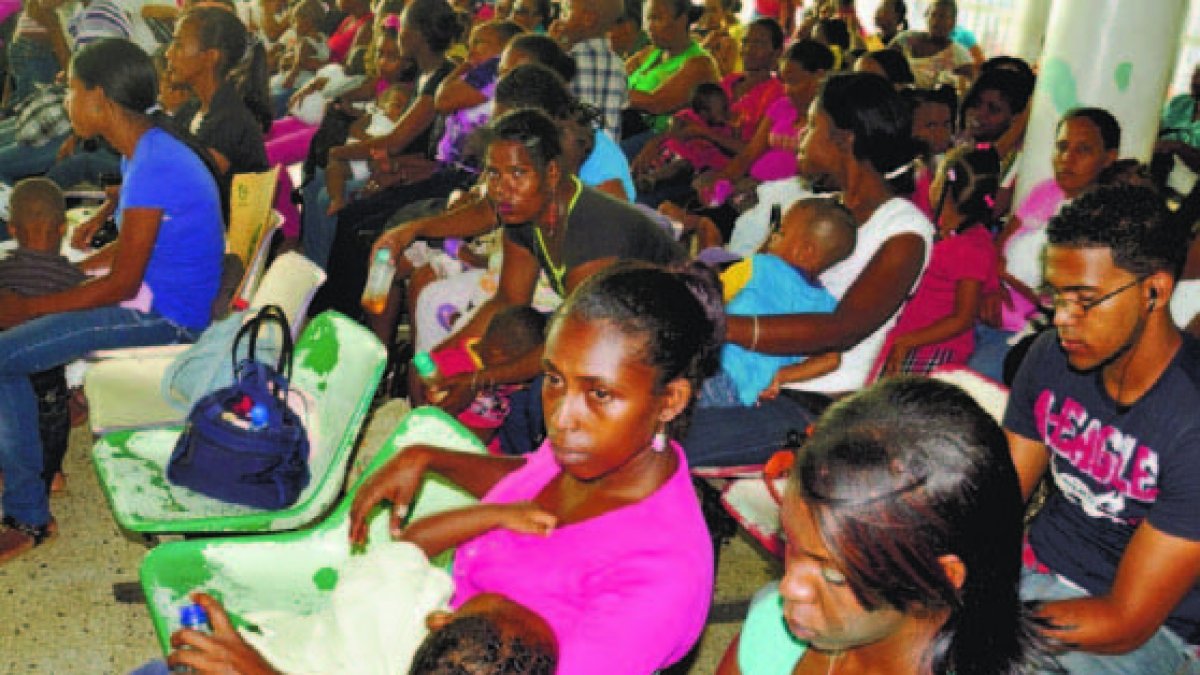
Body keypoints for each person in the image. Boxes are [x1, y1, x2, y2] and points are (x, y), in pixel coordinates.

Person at [163, 262, 721, 674]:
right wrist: (429, 458)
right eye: (554, 380)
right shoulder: (598, 452)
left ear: (670, 400)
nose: (562, 418)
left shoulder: (660, 577)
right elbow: (526, 478)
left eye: (599, 393)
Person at [0, 38, 224, 562]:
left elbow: (123, 285)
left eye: (73, 91)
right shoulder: (147, 149)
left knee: (5, 354)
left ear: (99, 98)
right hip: (159, 298)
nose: (68, 102)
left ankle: (28, 514)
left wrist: (29, 308)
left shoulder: (152, 163)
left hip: (168, 317)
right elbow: (140, 242)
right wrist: (81, 270)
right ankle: (24, 470)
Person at [716, 376, 1053, 675]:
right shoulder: (771, 630)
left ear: (938, 580)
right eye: (790, 542)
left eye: (833, 573)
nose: (790, 587)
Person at [683, 72, 932, 467]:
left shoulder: (904, 230)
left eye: (812, 124)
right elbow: (755, 271)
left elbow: (842, 330)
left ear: (844, 139)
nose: (800, 133)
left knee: (656, 440)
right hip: (738, 371)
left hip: (809, 401)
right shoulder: (818, 210)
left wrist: (722, 326)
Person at [1004, 185, 1200, 674]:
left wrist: (990, 625)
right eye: (1056, 295)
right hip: (1031, 572)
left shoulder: (1191, 421)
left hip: (1144, 631)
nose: (1061, 319)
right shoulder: (1050, 356)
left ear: (1155, 291)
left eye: (1085, 300)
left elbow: (1127, 620)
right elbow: (999, 498)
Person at [409, 108, 684, 405]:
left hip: (665, 343)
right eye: (494, 173)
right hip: (606, 326)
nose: (501, 190)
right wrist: (439, 357)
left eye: (518, 173)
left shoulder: (591, 232)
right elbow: (509, 299)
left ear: (552, 173)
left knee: (534, 400)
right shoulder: (524, 213)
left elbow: (571, 339)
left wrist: (480, 379)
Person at [971, 108, 1119, 382]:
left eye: (1083, 150)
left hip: (1025, 332)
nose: (1067, 158)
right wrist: (991, 287)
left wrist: (1006, 278)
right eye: (1062, 147)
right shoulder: (1046, 191)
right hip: (981, 304)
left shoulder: (1101, 221)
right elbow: (998, 245)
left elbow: (1057, 302)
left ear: (1108, 158)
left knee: (973, 382)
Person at [705, 198, 856, 407]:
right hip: (745, 394)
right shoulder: (828, 308)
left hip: (713, 366)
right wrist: (781, 376)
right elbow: (831, 360)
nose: (774, 237)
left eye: (782, 232)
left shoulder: (759, 266)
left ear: (806, 251)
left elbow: (708, 299)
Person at [885, 147, 999, 375]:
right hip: (910, 342)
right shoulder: (953, 236)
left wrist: (907, 341)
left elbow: (963, 318)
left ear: (942, 188)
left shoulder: (970, 247)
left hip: (931, 351)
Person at [166, 6, 270, 214]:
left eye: (178, 45)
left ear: (210, 57)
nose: (168, 53)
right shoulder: (190, 110)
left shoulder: (230, 121)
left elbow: (188, 188)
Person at [425, 305, 547, 448]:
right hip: (468, 449)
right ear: (497, 354)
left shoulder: (451, 354)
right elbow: (477, 441)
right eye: (517, 364)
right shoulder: (491, 392)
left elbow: (416, 369)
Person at [621, 0, 719, 158]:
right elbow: (615, 76)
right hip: (631, 126)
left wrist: (614, 92)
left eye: (657, 18)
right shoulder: (650, 53)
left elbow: (656, 103)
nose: (649, 27)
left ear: (682, 19)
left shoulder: (699, 64)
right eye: (648, 19)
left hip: (665, 139)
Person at [550, 0, 628, 139]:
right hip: (608, 150)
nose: (559, 19)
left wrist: (551, 48)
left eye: (566, 11)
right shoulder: (618, 64)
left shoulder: (568, 60)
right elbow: (622, 105)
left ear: (588, 19)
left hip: (573, 149)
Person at [887, 0, 973, 90]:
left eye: (943, 17)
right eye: (933, 15)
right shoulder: (906, 38)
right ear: (926, 17)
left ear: (953, 23)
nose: (936, 21)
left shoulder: (959, 55)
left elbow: (967, 89)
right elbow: (883, 62)